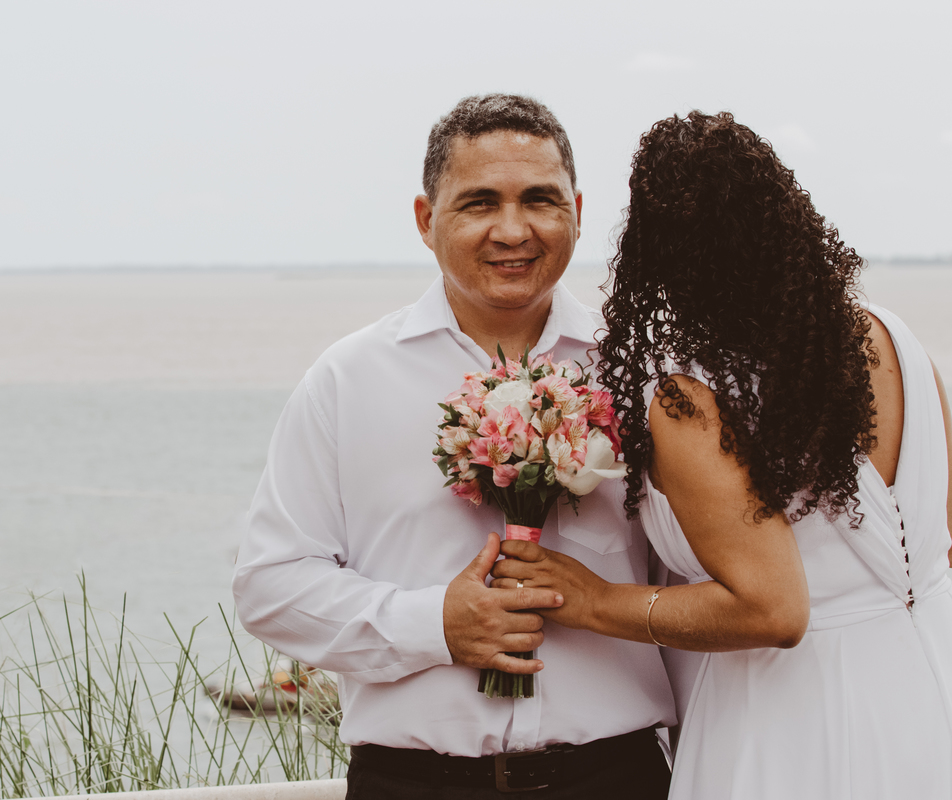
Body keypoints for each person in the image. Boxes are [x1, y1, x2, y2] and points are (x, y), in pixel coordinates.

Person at [491, 110, 952, 799]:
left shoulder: (693, 398)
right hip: (929, 692)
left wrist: (595, 601)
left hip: (789, 726)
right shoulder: (897, 340)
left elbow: (772, 611)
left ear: (660, 250)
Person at [233, 94, 675, 798]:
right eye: (478, 203)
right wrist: (433, 623)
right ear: (425, 219)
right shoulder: (349, 379)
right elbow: (270, 586)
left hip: (615, 776)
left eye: (540, 199)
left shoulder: (641, 373)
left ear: (579, 211)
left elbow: (693, 580)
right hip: (411, 782)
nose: (513, 229)